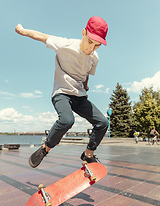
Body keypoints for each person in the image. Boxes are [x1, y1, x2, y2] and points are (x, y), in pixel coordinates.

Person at [15, 16, 109, 168]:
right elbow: (41, 36)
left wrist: (85, 87)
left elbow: (86, 74)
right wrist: (22, 30)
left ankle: (88, 154)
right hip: (61, 93)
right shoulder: (65, 44)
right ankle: (45, 148)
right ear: (83, 33)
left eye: (97, 45)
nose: (91, 48)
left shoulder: (94, 57)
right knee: (67, 120)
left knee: (103, 123)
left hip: (79, 96)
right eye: (90, 42)